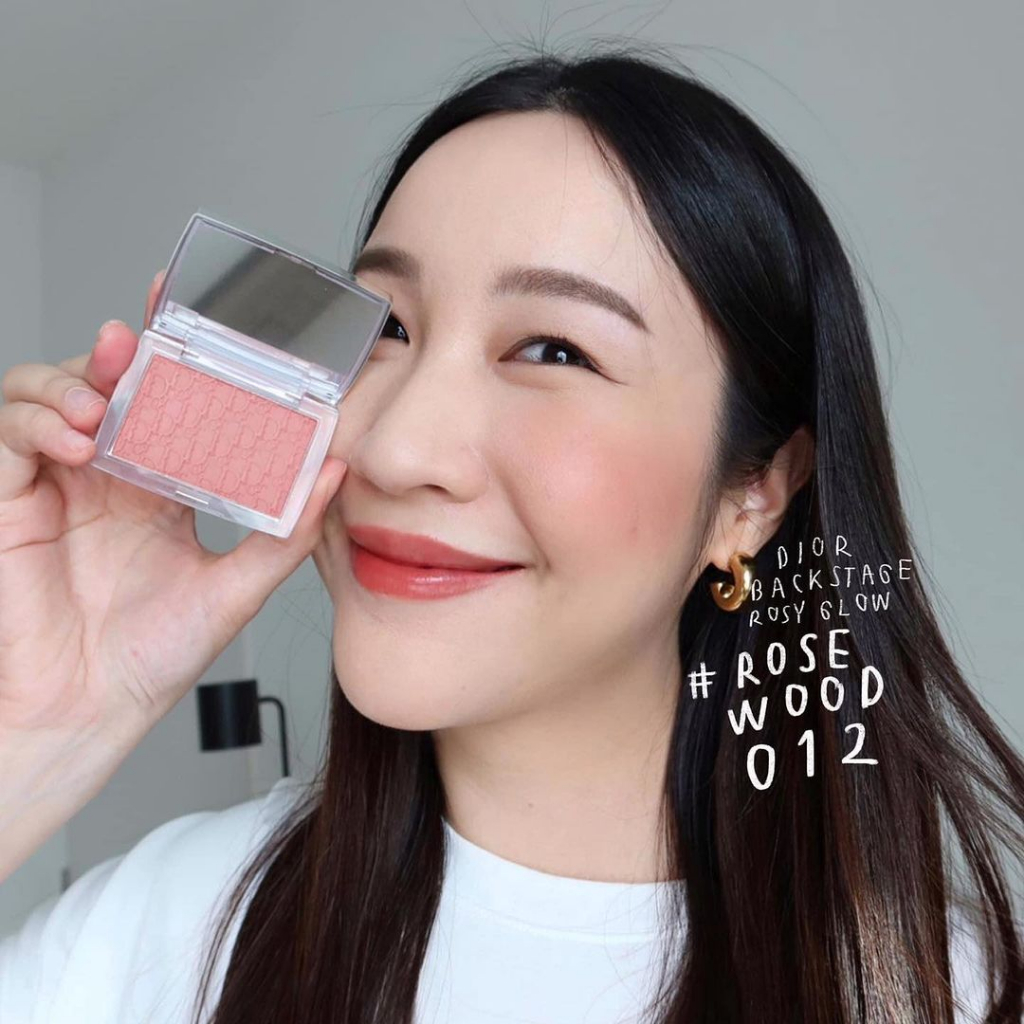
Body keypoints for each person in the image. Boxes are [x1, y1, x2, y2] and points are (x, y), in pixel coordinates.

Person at [0, 41, 1021, 1024]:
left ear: (752, 491)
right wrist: (39, 733)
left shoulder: (938, 996)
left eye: (553, 350)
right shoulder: (157, 928)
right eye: (387, 327)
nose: (397, 449)